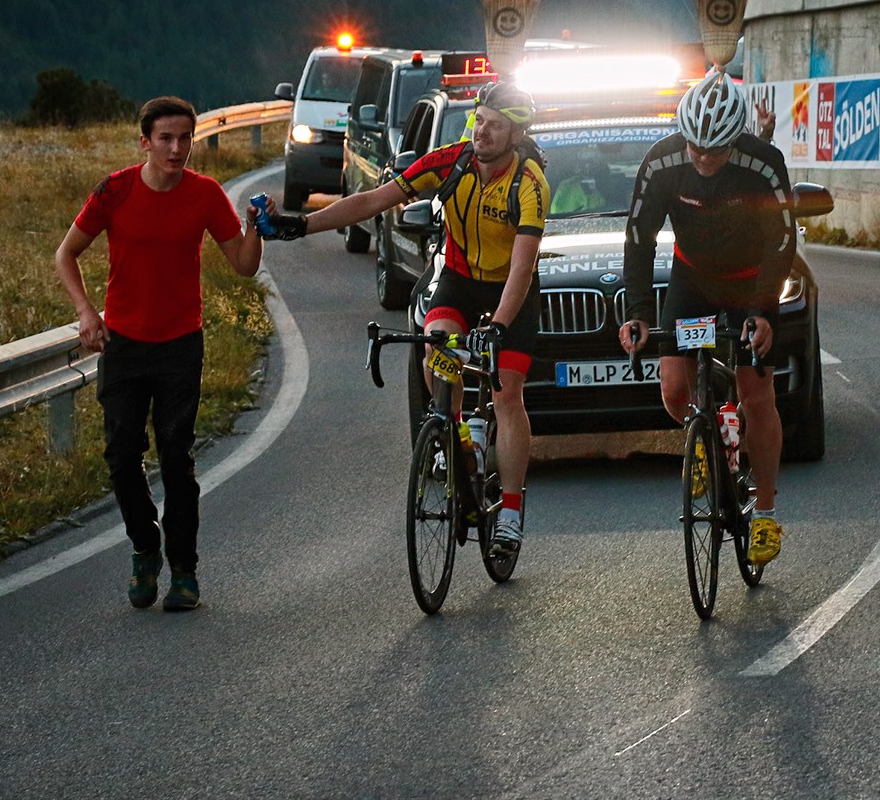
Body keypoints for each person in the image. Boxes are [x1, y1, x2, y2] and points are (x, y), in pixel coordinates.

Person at [263, 80, 546, 557]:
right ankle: (457, 434)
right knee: (438, 350)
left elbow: (522, 265)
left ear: (516, 135)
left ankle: (511, 514)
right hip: (457, 278)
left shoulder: (529, 182)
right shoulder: (450, 161)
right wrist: (302, 225)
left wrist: (497, 326)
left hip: (509, 289)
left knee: (507, 394)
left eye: (496, 126)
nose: (483, 132)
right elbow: (374, 200)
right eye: (480, 119)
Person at [55, 96, 263, 612]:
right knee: (123, 459)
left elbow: (241, 264)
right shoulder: (115, 189)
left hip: (179, 346)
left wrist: (257, 229)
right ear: (145, 141)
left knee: (176, 459)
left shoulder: (206, 193)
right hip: (123, 345)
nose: (177, 149)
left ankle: (184, 573)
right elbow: (67, 253)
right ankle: (145, 548)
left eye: (185, 138)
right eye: (166, 139)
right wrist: (86, 312)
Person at [619, 69, 796, 566]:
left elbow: (781, 242)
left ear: (736, 138)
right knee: (674, 389)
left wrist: (763, 311)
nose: (703, 158)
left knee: (757, 391)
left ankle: (764, 510)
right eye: (696, 146)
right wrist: (637, 314)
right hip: (692, 278)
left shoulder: (763, 163)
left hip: (749, 280)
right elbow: (639, 240)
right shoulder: (662, 161)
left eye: (714, 150)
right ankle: (713, 430)